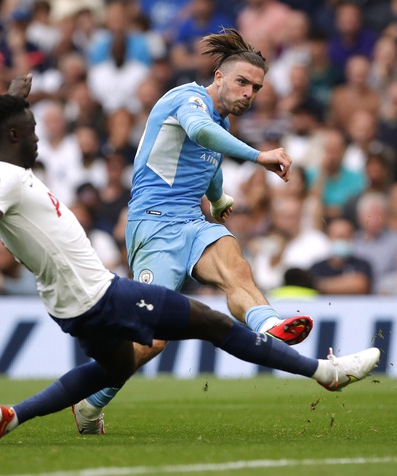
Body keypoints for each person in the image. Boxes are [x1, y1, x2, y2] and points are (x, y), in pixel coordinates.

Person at [0, 81, 381, 446]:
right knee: (214, 324)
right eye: (31, 129)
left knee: (113, 369)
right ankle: (327, 372)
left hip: (70, 308)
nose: (38, 137)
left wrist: (15, 100)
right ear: (14, 137)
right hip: (103, 295)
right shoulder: (3, 180)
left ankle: (11, 417)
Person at [77, 29, 318, 433]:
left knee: (235, 266)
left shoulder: (219, 117)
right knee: (152, 339)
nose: (249, 93)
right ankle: (89, 403)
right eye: (242, 82)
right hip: (153, 225)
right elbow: (202, 135)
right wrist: (260, 156)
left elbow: (206, 158)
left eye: (256, 88)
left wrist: (219, 198)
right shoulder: (185, 100)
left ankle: (269, 326)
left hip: (191, 221)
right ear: (219, 77)